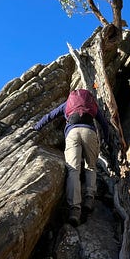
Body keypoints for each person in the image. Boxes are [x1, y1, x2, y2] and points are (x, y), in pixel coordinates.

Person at [33, 88, 109, 226]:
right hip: (89, 132)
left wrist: (36, 127)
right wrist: (107, 140)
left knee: (73, 170)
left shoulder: (68, 103)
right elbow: (103, 123)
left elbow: (50, 116)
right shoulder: (91, 104)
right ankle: (89, 198)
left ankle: (75, 210)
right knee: (91, 166)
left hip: (72, 132)